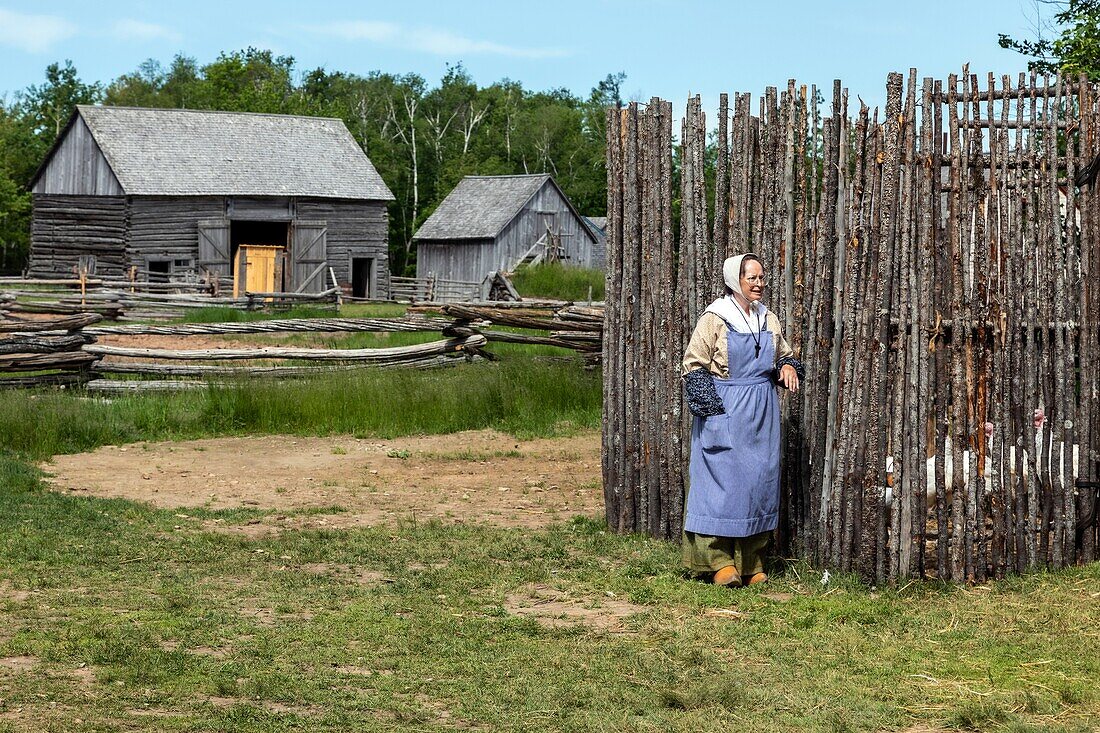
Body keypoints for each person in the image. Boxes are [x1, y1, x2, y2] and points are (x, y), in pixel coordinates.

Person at [680, 253, 804, 587]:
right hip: (725, 409)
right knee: (720, 486)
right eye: (752, 278)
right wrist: (714, 413)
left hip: (761, 414)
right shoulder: (715, 318)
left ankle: (752, 563)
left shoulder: (768, 319)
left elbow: (784, 357)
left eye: (762, 277)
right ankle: (718, 562)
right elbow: (693, 365)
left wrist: (788, 367)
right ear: (736, 279)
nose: (759, 284)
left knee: (757, 485)